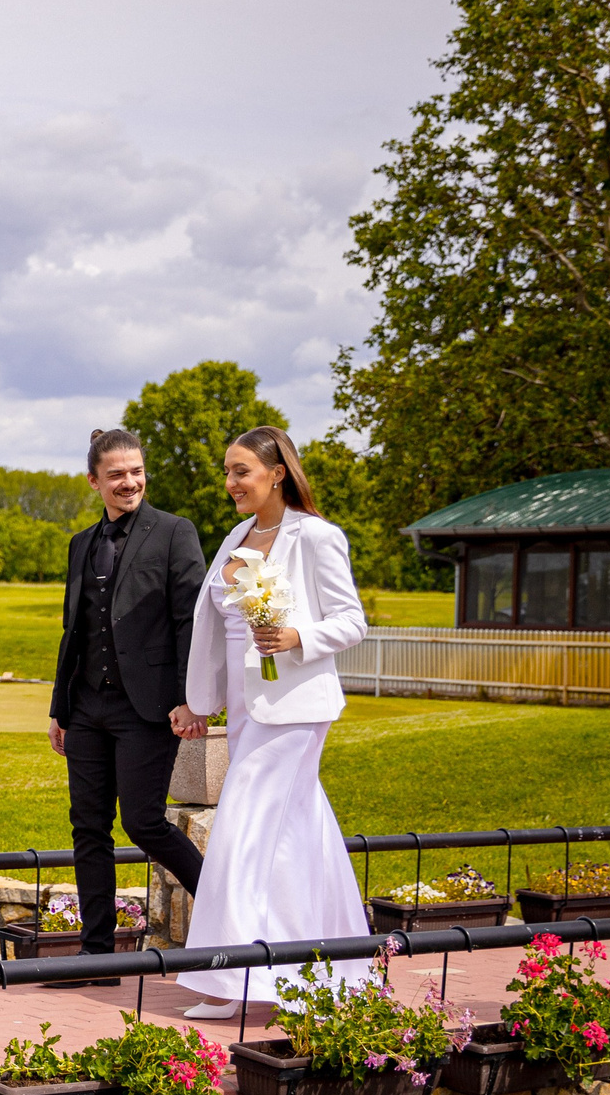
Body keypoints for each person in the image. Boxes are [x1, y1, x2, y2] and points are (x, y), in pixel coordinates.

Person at [172, 425, 371, 1016]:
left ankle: (226, 979)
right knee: (300, 836)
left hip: (296, 711)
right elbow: (214, 628)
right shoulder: (236, 536)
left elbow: (352, 622)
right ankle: (325, 975)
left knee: (242, 827)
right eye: (228, 472)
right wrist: (197, 702)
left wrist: (295, 636)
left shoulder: (316, 537)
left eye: (241, 471)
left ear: (277, 472)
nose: (230, 483)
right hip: (247, 712)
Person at [49, 429, 206, 955]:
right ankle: (96, 952)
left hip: (148, 706)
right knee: (87, 828)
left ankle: (222, 906)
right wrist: (60, 709)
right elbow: (73, 631)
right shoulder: (81, 544)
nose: (129, 482)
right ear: (94, 481)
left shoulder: (174, 532)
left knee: (142, 822)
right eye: (116, 474)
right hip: (87, 705)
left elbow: (191, 622)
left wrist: (190, 697)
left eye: (136, 471)